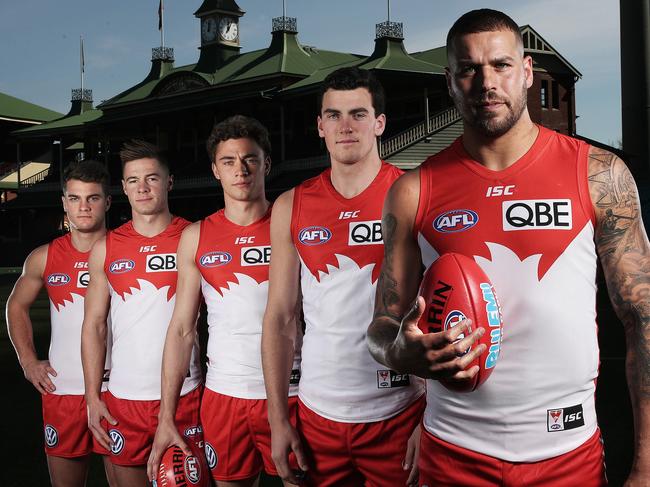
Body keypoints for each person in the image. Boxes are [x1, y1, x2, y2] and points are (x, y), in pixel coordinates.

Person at [367, 8, 650, 486]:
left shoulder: (599, 174)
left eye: (500, 65)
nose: (485, 82)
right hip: (453, 450)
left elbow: (642, 317)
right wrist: (400, 353)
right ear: (450, 81)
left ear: (526, 73)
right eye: (469, 69)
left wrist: (645, 462)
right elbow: (380, 328)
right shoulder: (413, 190)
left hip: (567, 451)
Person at [262, 67, 425, 487]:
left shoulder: (415, 194)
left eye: (357, 113)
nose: (345, 126)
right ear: (320, 125)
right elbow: (280, 318)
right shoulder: (290, 205)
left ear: (379, 123)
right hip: (318, 416)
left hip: (399, 410)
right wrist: (278, 419)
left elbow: (447, 307)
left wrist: (434, 418)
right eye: (333, 115)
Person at [145, 115, 302, 486]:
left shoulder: (293, 223)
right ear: (215, 170)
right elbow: (182, 330)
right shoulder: (196, 236)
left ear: (266, 163)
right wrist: (167, 414)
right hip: (224, 395)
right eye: (228, 161)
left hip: (292, 391)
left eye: (250, 159)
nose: (240, 170)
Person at [81, 140, 202, 487]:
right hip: (123, 398)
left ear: (169, 182)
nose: (143, 187)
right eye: (133, 180)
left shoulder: (193, 237)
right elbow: (94, 325)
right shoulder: (105, 248)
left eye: (152, 178)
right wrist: (93, 396)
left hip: (184, 394)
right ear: (122, 188)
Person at [6, 160, 116, 487]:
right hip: (63, 389)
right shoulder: (44, 256)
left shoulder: (126, 251)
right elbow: (16, 305)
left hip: (118, 389)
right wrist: (27, 361)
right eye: (75, 198)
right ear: (64, 202)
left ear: (107, 202)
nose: (83, 207)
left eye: (93, 198)